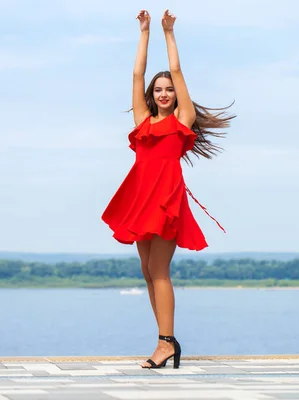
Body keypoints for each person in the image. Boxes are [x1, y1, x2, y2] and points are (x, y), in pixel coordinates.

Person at [101, 9, 234, 369]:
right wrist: (143, 32)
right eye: (157, 90)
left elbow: (176, 71)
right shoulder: (143, 121)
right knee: (147, 271)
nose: (163, 93)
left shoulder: (182, 121)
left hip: (165, 199)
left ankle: (165, 344)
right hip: (139, 197)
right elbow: (136, 74)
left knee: (160, 271)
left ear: (176, 96)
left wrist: (168, 33)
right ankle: (165, 340)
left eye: (168, 90)